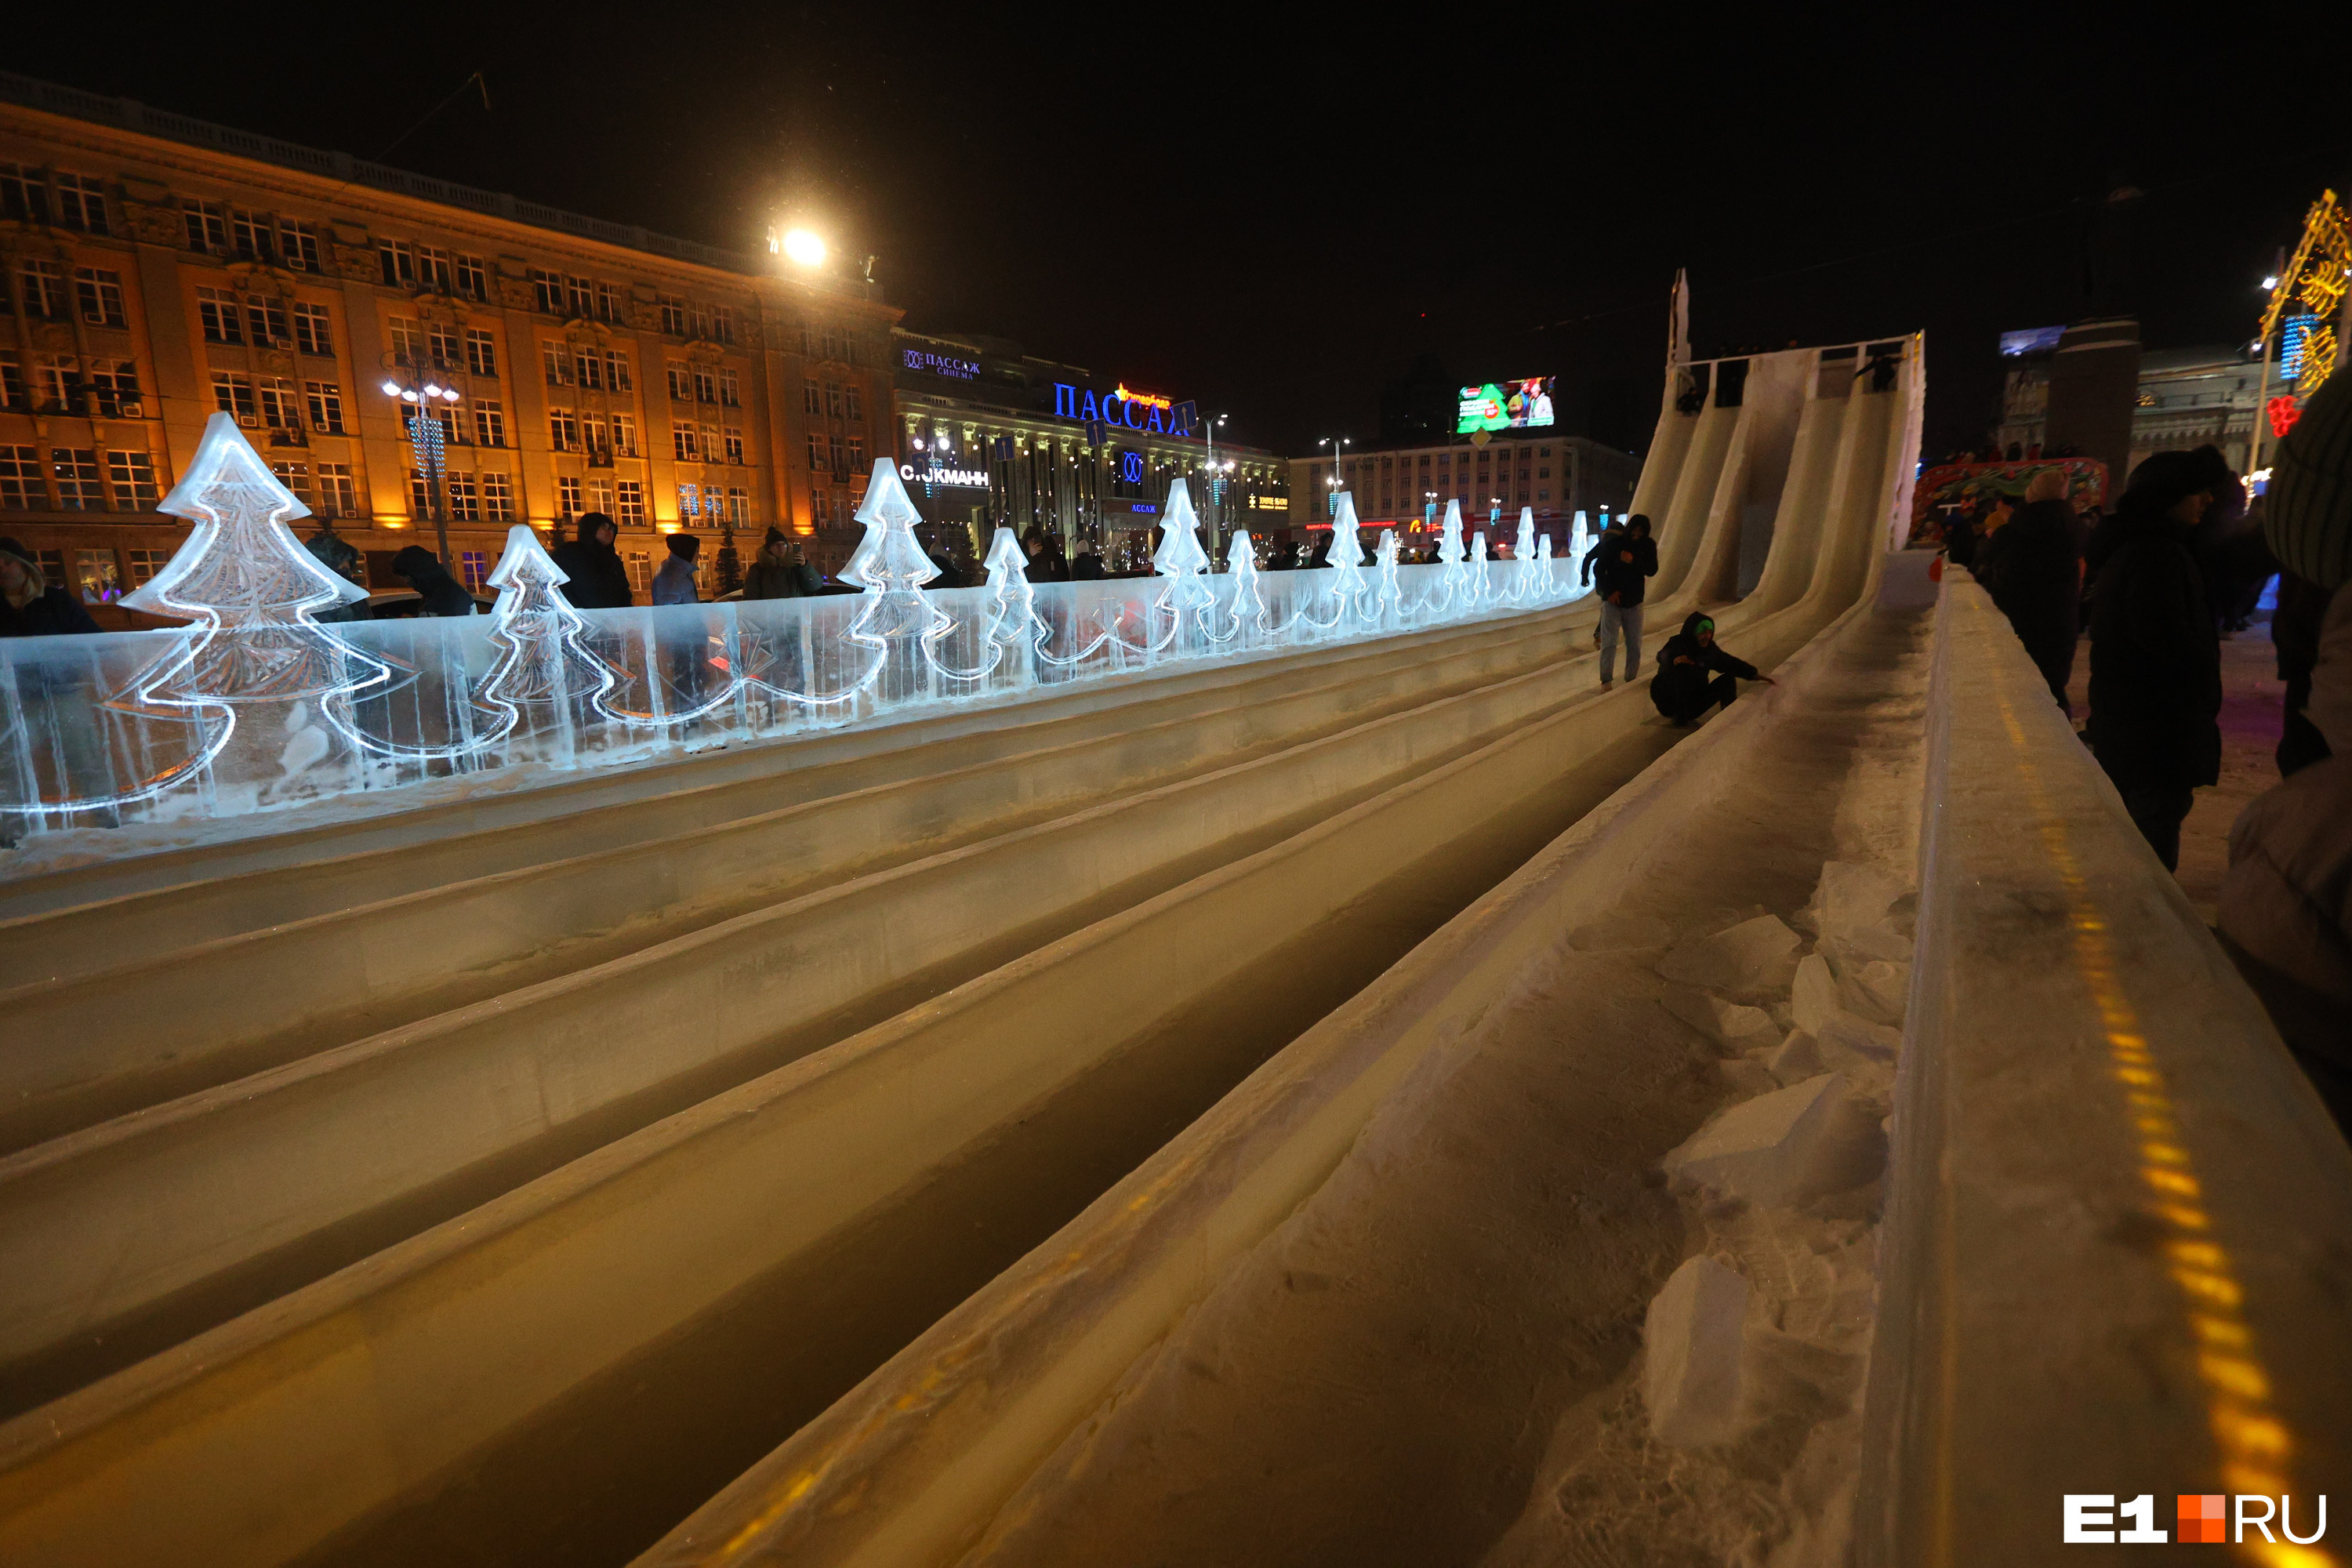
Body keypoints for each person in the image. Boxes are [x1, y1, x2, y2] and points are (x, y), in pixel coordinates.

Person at [2084, 451, 2222, 872]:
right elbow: (2163, 640)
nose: (2207, 500)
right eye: (2195, 491)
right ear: (2167, 497)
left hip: (2137, 735)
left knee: (2138, 845)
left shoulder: (2137, 549)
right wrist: (2199, 684)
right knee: (2148, 859)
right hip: (2154, 738)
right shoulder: (2156, 555)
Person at [1976, 467, 2084, 711]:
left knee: (2016, 688)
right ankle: (2060, 743)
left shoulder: (2016, 528)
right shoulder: (2074, 528)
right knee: (2052, 687)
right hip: (2061, 617)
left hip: (2018, 616)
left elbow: (1984, 556)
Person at [1649, 612, 1772, 724]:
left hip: (1693, 703)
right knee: (1682, 670)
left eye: (1709, 633)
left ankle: (1730, 719)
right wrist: (1675, 659)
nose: (1707, 636)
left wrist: (1751, 673)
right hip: (1669, 704)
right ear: (1693, 633)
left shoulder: (1709, 650)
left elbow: (1728, 663)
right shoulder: (1678, 643)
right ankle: (1679, 720)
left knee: (1727, 680)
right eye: (1702, 633)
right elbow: (1662, 655)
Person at [1586, 514, 1657, 688]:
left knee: (1634, 643)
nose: (1637, 534)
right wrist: (1609, 592)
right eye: (1634, 530)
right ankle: (1606, 680)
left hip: (1634, 602)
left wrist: (1634, 561)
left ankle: (1630, 677)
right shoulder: (1615, 545)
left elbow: (1652, 569)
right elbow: (1598, 568)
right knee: (1609, 642)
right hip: (1613, 602)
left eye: (1641, 531)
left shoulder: (1648, 546)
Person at [0, 537, 101, 636]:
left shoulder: (57, 600)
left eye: (8, 563)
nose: (2, 570)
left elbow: (92, 636)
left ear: (25, 566)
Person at [550, 513, 633, 610]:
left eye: (612, 529)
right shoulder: (570, 552)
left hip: (613, 619)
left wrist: (626, 613)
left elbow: (624, 590)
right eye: (604, 527)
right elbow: (558, 585)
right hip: (581, 618)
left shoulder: (613, 559)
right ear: (591, 528)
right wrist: (578, 611)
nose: (609, 531)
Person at [390, 545, 477, 616]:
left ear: (419, 574)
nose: (406, 583)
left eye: (407, 578)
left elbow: (449, 632)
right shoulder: (433, 595)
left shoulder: (452, 596)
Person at [742, 527, 820, 600]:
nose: (781, 548)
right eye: (777, 545)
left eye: (784, 544)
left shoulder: (795, 565)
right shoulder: (758, 569)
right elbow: (750, 597)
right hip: (770, 612)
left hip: (795, 611)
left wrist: (805, 567)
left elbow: (815, 586)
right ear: (769, 548)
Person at [650, 532, 701, 604]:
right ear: (688, 552)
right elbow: (669, 612)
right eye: (696, 551)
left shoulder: (680, 572)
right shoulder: (672, 577)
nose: (698, 556)